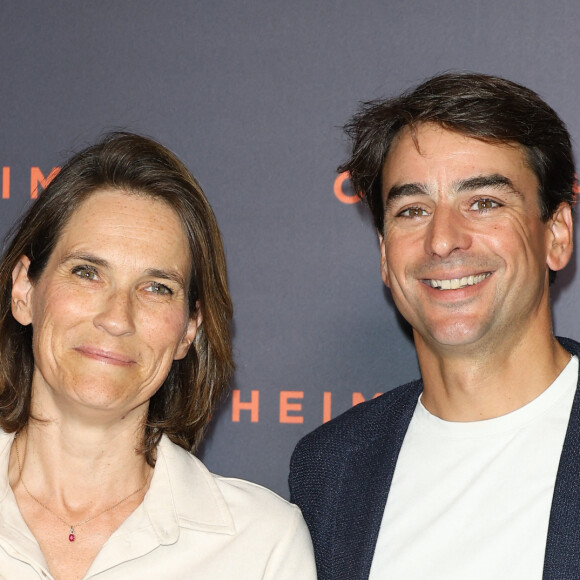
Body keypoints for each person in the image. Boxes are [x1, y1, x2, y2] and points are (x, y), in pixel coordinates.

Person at [289, 72, 580, 579]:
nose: (443, 240)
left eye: (484, 202)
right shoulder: (330, 470)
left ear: (556, 234)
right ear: (384, 256)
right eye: (413, 209)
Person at [0, 132, 316, 579]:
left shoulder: (261, 545)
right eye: (87, 272)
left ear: (189, 329)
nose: (117, 317)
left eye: (156, 288)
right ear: (24, 291)